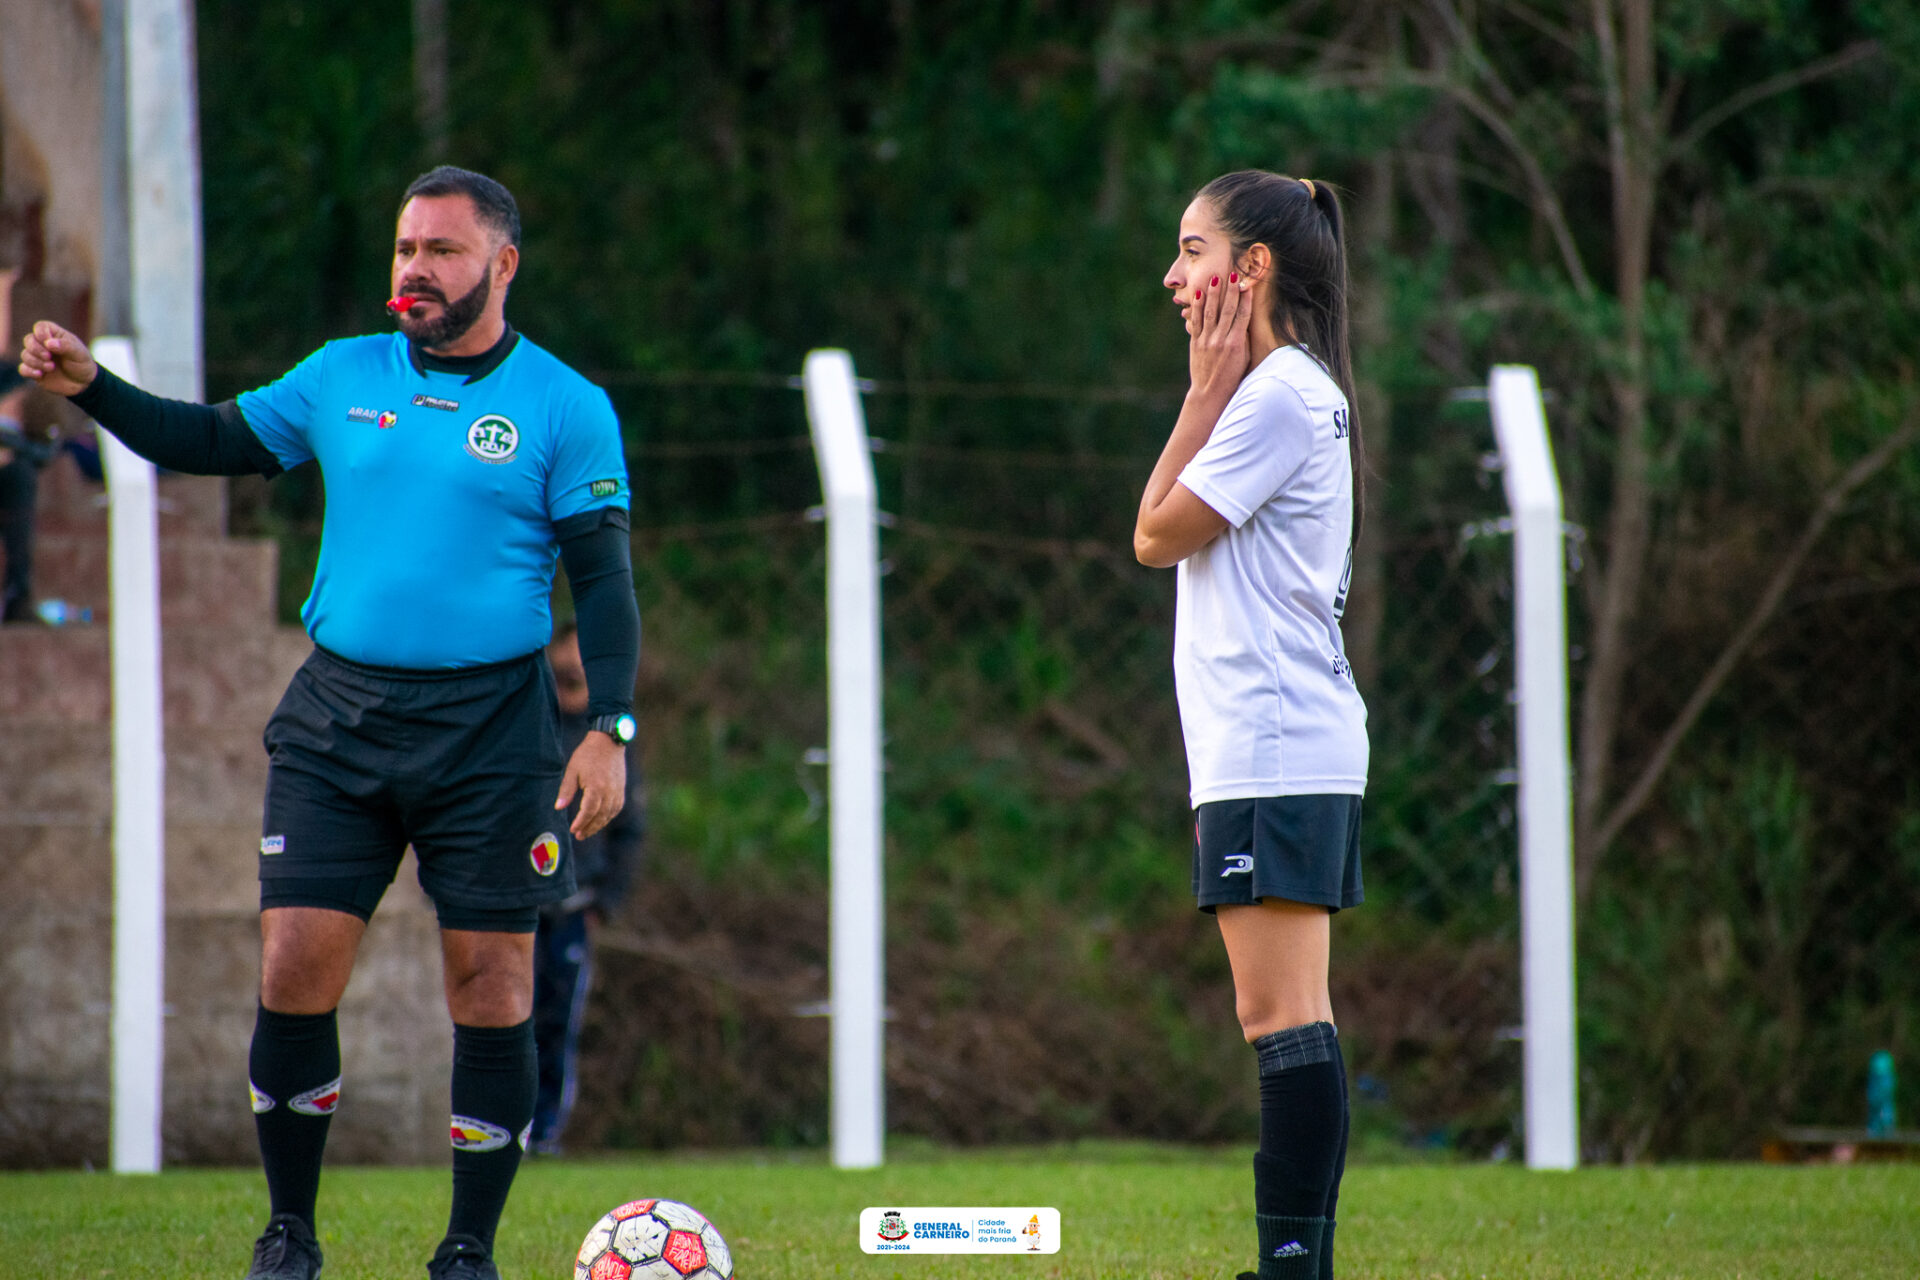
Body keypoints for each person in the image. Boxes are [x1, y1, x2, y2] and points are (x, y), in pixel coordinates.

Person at [19, 165, 641, 1280]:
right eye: (405, 248)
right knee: (296, 959)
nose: (415, 269)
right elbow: (206, 438)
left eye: (442, 251)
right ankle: (290, 1232)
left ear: (501, 265)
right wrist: (93, 385)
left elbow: (603, 583)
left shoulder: (564, 405)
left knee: (492, 981)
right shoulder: (344, 375)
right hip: (339, 716)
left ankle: (467, 1248)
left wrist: (615, 726)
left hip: (494, 727)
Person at [1133, 171, 1368, 1280]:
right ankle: (1297, 1264)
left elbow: (1156, 533)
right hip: (1285, 737)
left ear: (1253, 267)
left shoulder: (1270, 393)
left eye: (1193, 251)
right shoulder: (1291, 389)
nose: (1175, 277)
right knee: (1289, 1009)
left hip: (1273, 741)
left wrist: (1200, 392)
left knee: (1278, 1013)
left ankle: (1290, 1265)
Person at [529, 621, 644, 1154]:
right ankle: (506, 1131)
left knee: (558, 1022)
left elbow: (629, 830)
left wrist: (607, 902)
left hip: (575, 906)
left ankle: (548, 1133)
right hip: (520, 903)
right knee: (508, 1021)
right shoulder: (529, 723)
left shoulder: (608, 739)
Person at [0, 360, 54, 622]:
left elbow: (46, 449)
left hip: (11, 472)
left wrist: (11, 449)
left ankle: (17, 594)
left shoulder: (19, 378)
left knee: (20, 476)